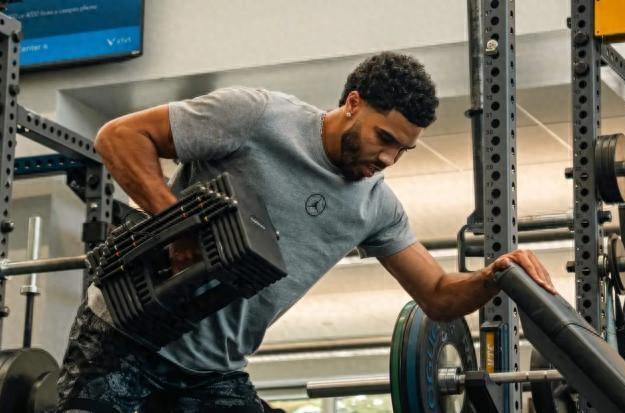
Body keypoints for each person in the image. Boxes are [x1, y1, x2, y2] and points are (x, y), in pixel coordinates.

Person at [56, 51, 556, 412]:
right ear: (353, 103)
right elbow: (120, 137)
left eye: (402, 150)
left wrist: (495, 275)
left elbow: (439, 296)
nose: (387, 159)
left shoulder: (376, 206)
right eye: (383, 138)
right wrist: (177, 228)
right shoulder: (257, 116)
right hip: (123, 338)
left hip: (212, 372)